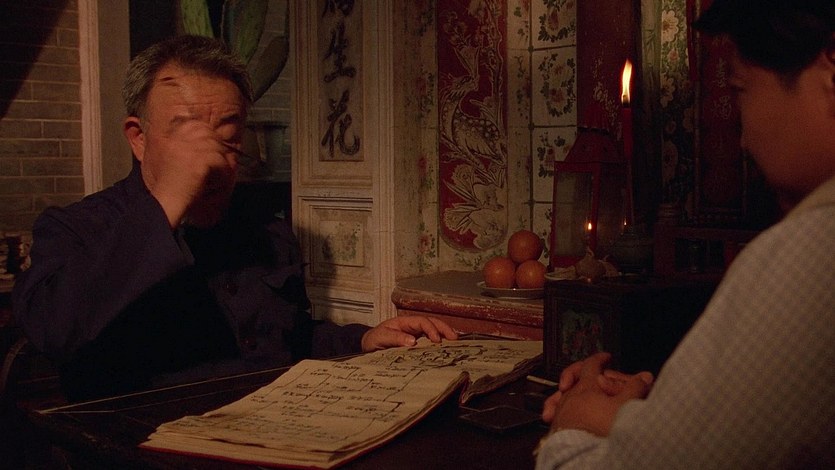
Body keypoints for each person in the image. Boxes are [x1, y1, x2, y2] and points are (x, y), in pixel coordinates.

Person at [11, 35, 457, 402]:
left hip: (277, 426)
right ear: (139, 138)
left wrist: (360, 340)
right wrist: (169, 200)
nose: (211, 160)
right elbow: (53, 330)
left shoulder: (263, 228)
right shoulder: (77, 228)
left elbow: (289, 339)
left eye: (227, 137)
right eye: (189, 139)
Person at [536, 1, 835, 468]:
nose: (744, 140)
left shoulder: (810, 255)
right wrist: (656, 418)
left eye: (741, 90)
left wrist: (575, 423)